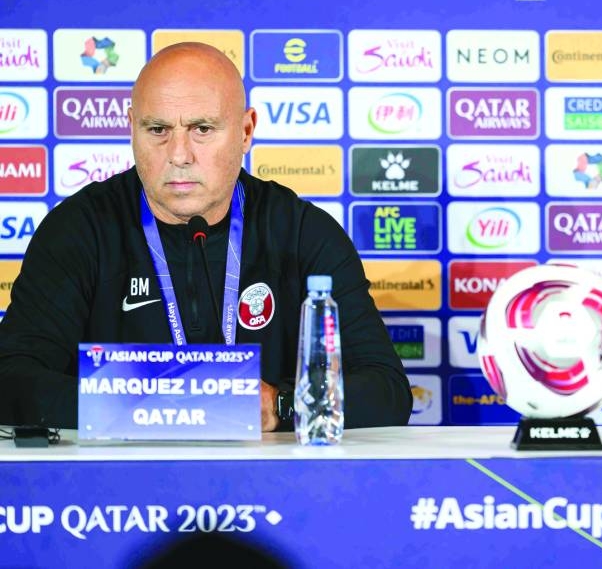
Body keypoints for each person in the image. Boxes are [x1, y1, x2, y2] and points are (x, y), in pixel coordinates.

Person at [0, 42, 412, 431]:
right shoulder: (79, 229)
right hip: (119, 480)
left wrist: (280, 405)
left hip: (271, 477)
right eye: (157, 129)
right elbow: (11, 381)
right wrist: (151, 404)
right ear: (131, 128)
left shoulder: (302, 232)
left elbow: (386, 390)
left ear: (246, 131)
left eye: (202, 129)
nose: (179, 154)